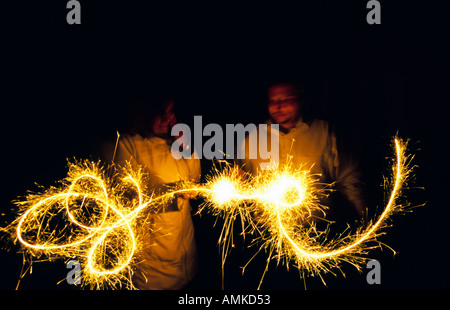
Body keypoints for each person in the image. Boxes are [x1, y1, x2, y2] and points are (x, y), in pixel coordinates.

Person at [240, 81, 365, 222]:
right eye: (272, 101)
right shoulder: (253, 138)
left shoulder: (325, 133)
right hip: (266, 232)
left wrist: (366, 221)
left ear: (301, 99)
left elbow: (350, 180)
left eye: (286, 99)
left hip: (318, 231)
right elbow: (242, 182)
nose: (278, 106)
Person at [113, 96, 201, 290]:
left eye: (171, 111)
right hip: (153, 273)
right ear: (143, 113)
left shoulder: (174, 143)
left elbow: (194, 179)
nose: (167, 118)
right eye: (160, 112)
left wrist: (186, 146)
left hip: (187, 262)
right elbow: (129, 200)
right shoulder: (127, 145)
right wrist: (172, 192)